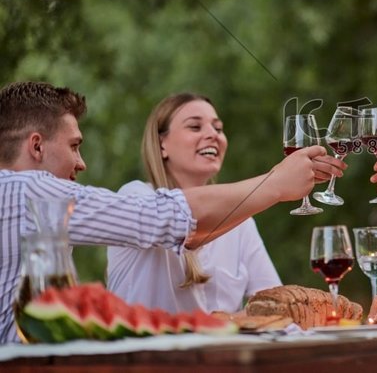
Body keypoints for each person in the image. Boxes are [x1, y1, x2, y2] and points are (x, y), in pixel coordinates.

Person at [0, 81, 344, 343]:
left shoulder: (39, 214)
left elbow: (276, 308)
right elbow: (172, 221)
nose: (82, 163)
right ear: (36, 146)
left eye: (218, 127)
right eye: (74, 146)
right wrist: (274, 184)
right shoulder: (28, 191)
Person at [108, 94, 281, 313]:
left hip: (222, 347)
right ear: (162, 144)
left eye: (218, 128)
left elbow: (276, 301)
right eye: (195, 127)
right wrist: (276, 184)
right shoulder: (137, 198)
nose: (212, 135)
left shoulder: (241, 222)